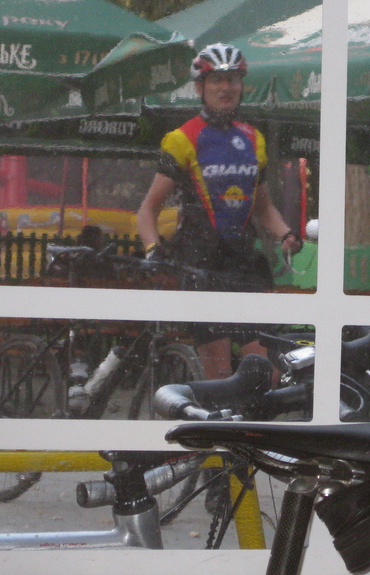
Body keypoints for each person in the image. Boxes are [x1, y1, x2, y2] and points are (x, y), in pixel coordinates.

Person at [136, 42, 303, 377]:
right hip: (201, 263)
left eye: (233, 80)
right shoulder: (182, 138)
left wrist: (285, 234)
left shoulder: (254, 139)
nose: (226, 88)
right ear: (200, 88)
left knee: (266, 370)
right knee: (220, 375)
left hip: (243, 263)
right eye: (217, 80)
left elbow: (263, 206)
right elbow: (148, 210)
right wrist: (153, 250)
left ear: (241, 86)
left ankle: (251, 413)